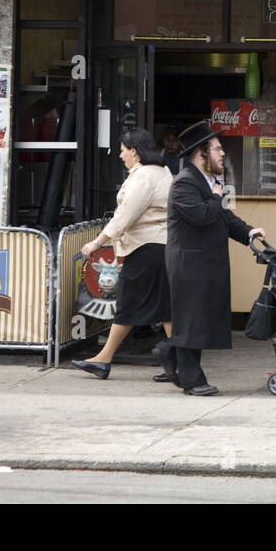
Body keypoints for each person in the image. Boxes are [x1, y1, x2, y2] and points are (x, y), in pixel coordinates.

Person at [163, 119, 266, 396]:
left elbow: (224, 217)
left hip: (203, 263)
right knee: (190, 321)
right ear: (202, 154)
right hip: (188, 263)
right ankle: (192, 380)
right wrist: (217, 196)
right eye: (218, 149)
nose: (223, 154)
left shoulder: (209, 182)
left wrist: (248, 233)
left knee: (196, 320)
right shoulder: (185, 183)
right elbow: (202, 216)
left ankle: (169, 355)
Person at [71, 128, 174, 380]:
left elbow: (125, 216)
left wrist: (96, 242)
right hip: (160, 247)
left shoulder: (144, 177)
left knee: (128, 304)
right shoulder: (163, 172)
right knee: (166, 309)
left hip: (145, 248)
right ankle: (183, 363)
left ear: (135, 151)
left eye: (122, 150)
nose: (120, 155)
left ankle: (103, 359)